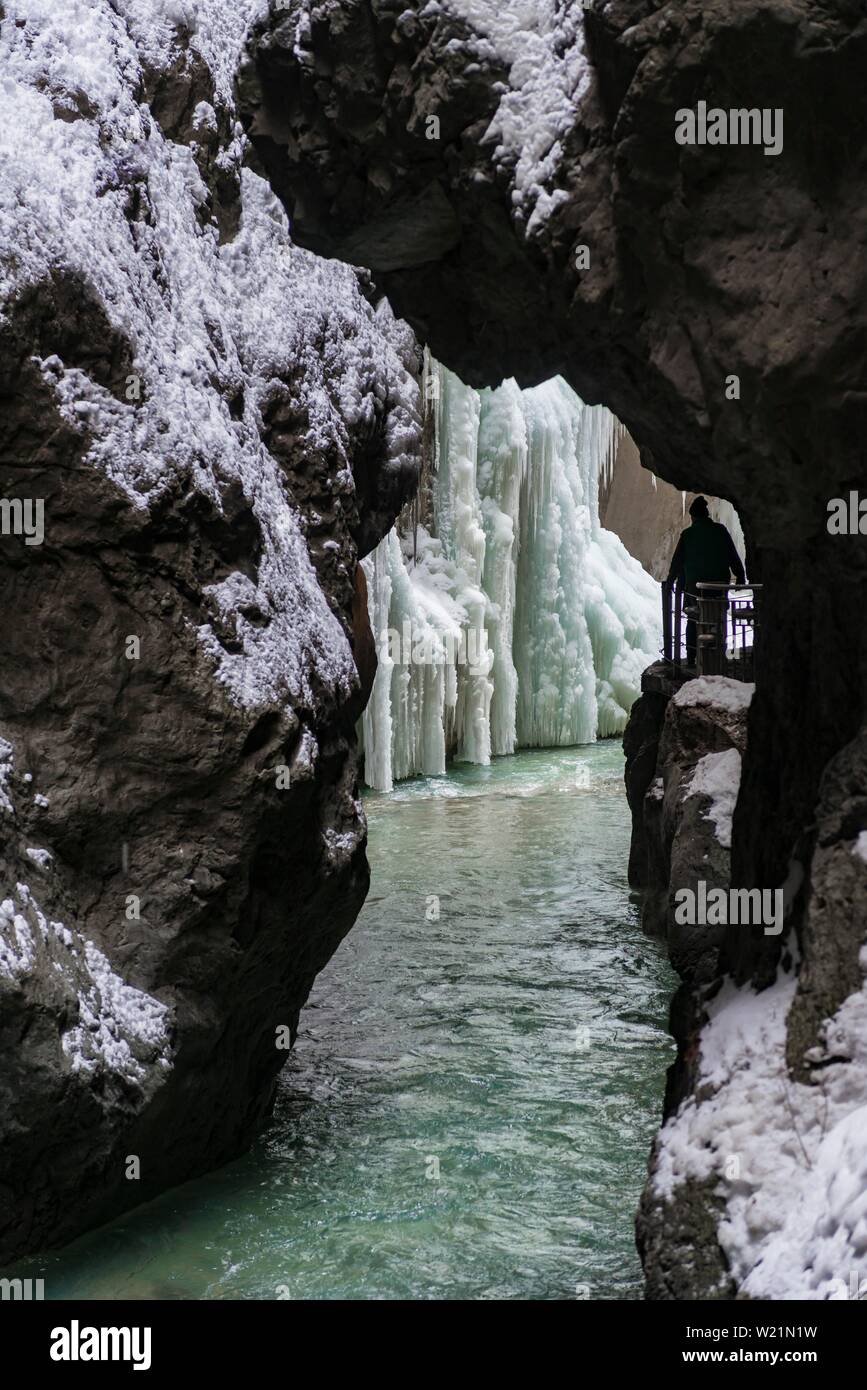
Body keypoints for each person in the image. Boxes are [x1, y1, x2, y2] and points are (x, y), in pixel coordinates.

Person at [667, 496, 746, 667]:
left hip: (695, 590)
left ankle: (691, 658)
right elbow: (733, 556)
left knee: (693, 620)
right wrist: (740, 576)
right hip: (719, 588)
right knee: (718, 619)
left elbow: (676, 563)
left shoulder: (688, 534)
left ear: (693, 517)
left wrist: (670, 582)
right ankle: (718, 654)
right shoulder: (720, 530)